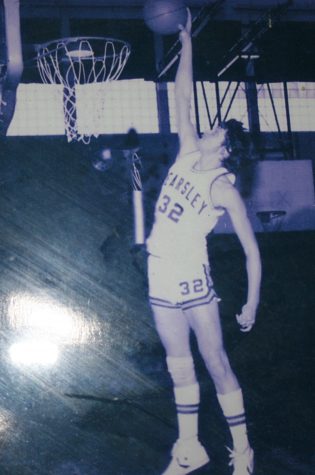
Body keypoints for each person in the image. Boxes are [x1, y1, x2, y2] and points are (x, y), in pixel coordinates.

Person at [145, 9, 262, 475]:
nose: (210, 128)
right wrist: (188, 43)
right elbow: (182, 97)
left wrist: (252, 303)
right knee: (178, 363)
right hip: (158, 267)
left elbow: (252, 251)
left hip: (191, 274)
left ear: (226, 147)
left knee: (214, 359)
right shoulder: (190, 149)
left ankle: (244, 450)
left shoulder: (224, 189)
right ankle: (189, 447)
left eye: (219, 131)